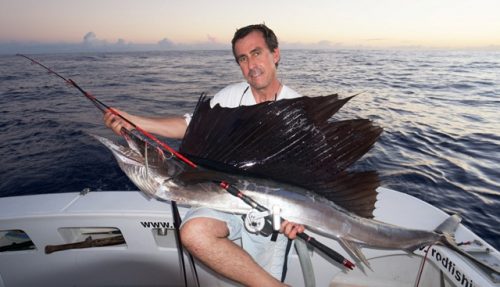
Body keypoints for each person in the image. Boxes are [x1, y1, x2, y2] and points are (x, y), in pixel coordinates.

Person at [104, 24, 305, 286]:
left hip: (270, 209)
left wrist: (299, 216)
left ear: (275, 54)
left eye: (257, 53)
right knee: (193, 233)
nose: (251, 65)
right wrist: (133, 123)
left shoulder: (299, 108)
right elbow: (189, 126)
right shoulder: (230, 96)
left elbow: (306, 176)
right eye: (242, 58)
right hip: (223, 197)